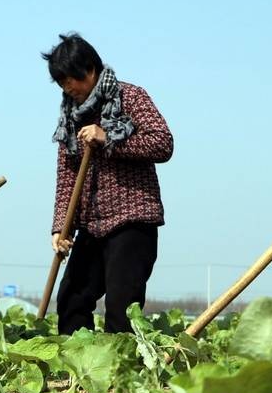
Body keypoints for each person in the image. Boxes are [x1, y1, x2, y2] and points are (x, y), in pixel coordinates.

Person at [43, 34, 174, 335]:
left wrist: (108, 138)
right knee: (71, 299)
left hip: (132, 221)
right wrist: (61, 227)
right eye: (62, 83)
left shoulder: (131, 97)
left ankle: (123, 364)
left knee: (121, 307)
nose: (68, 88)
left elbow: (162, 143)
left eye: (71, 80)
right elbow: (67, 175)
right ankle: (77, 359)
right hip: (92, 225)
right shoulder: (70, 116)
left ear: (90, 69)